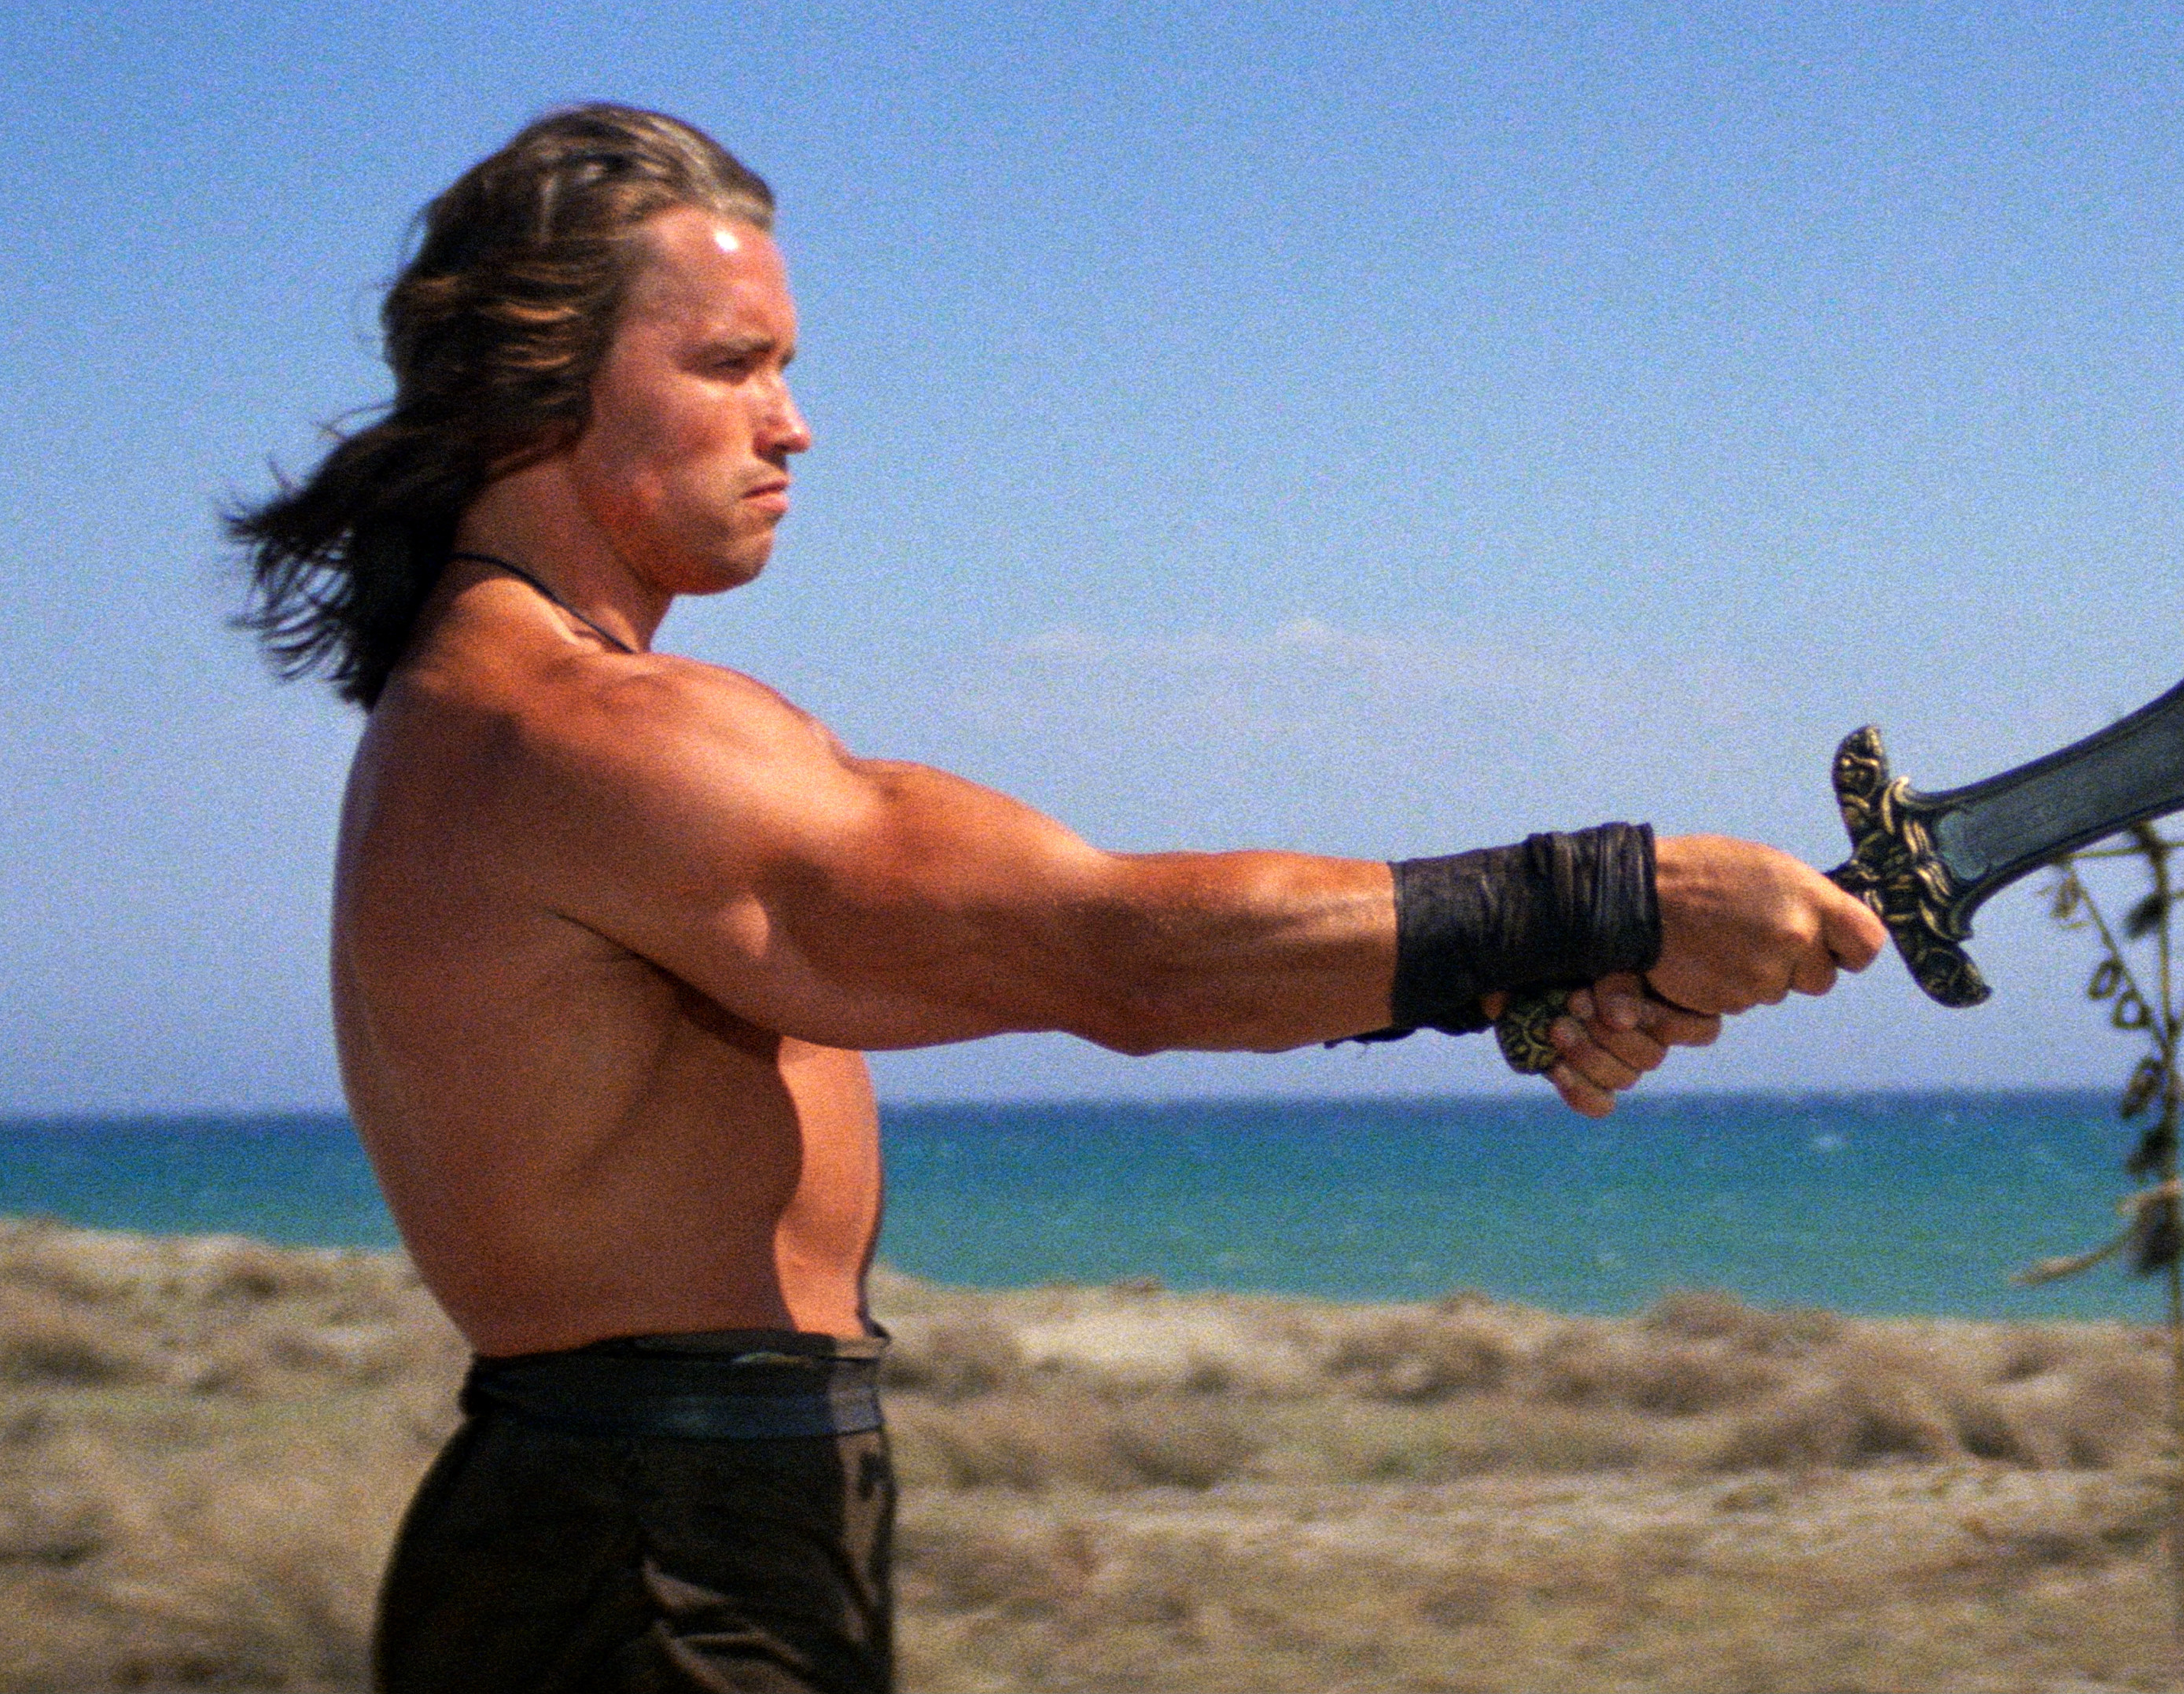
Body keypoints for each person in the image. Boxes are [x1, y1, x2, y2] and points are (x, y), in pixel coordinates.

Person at [232, 105, 1884, 1692]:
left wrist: (1499, 982)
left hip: (638, 1533)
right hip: (650, 1570)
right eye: (730, 366)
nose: (791, 425)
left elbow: (1105, 960)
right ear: (532, 385)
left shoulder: (488, 717)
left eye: (785, 368)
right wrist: (1611, 898)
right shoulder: (589, 740)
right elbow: (1127, 960)